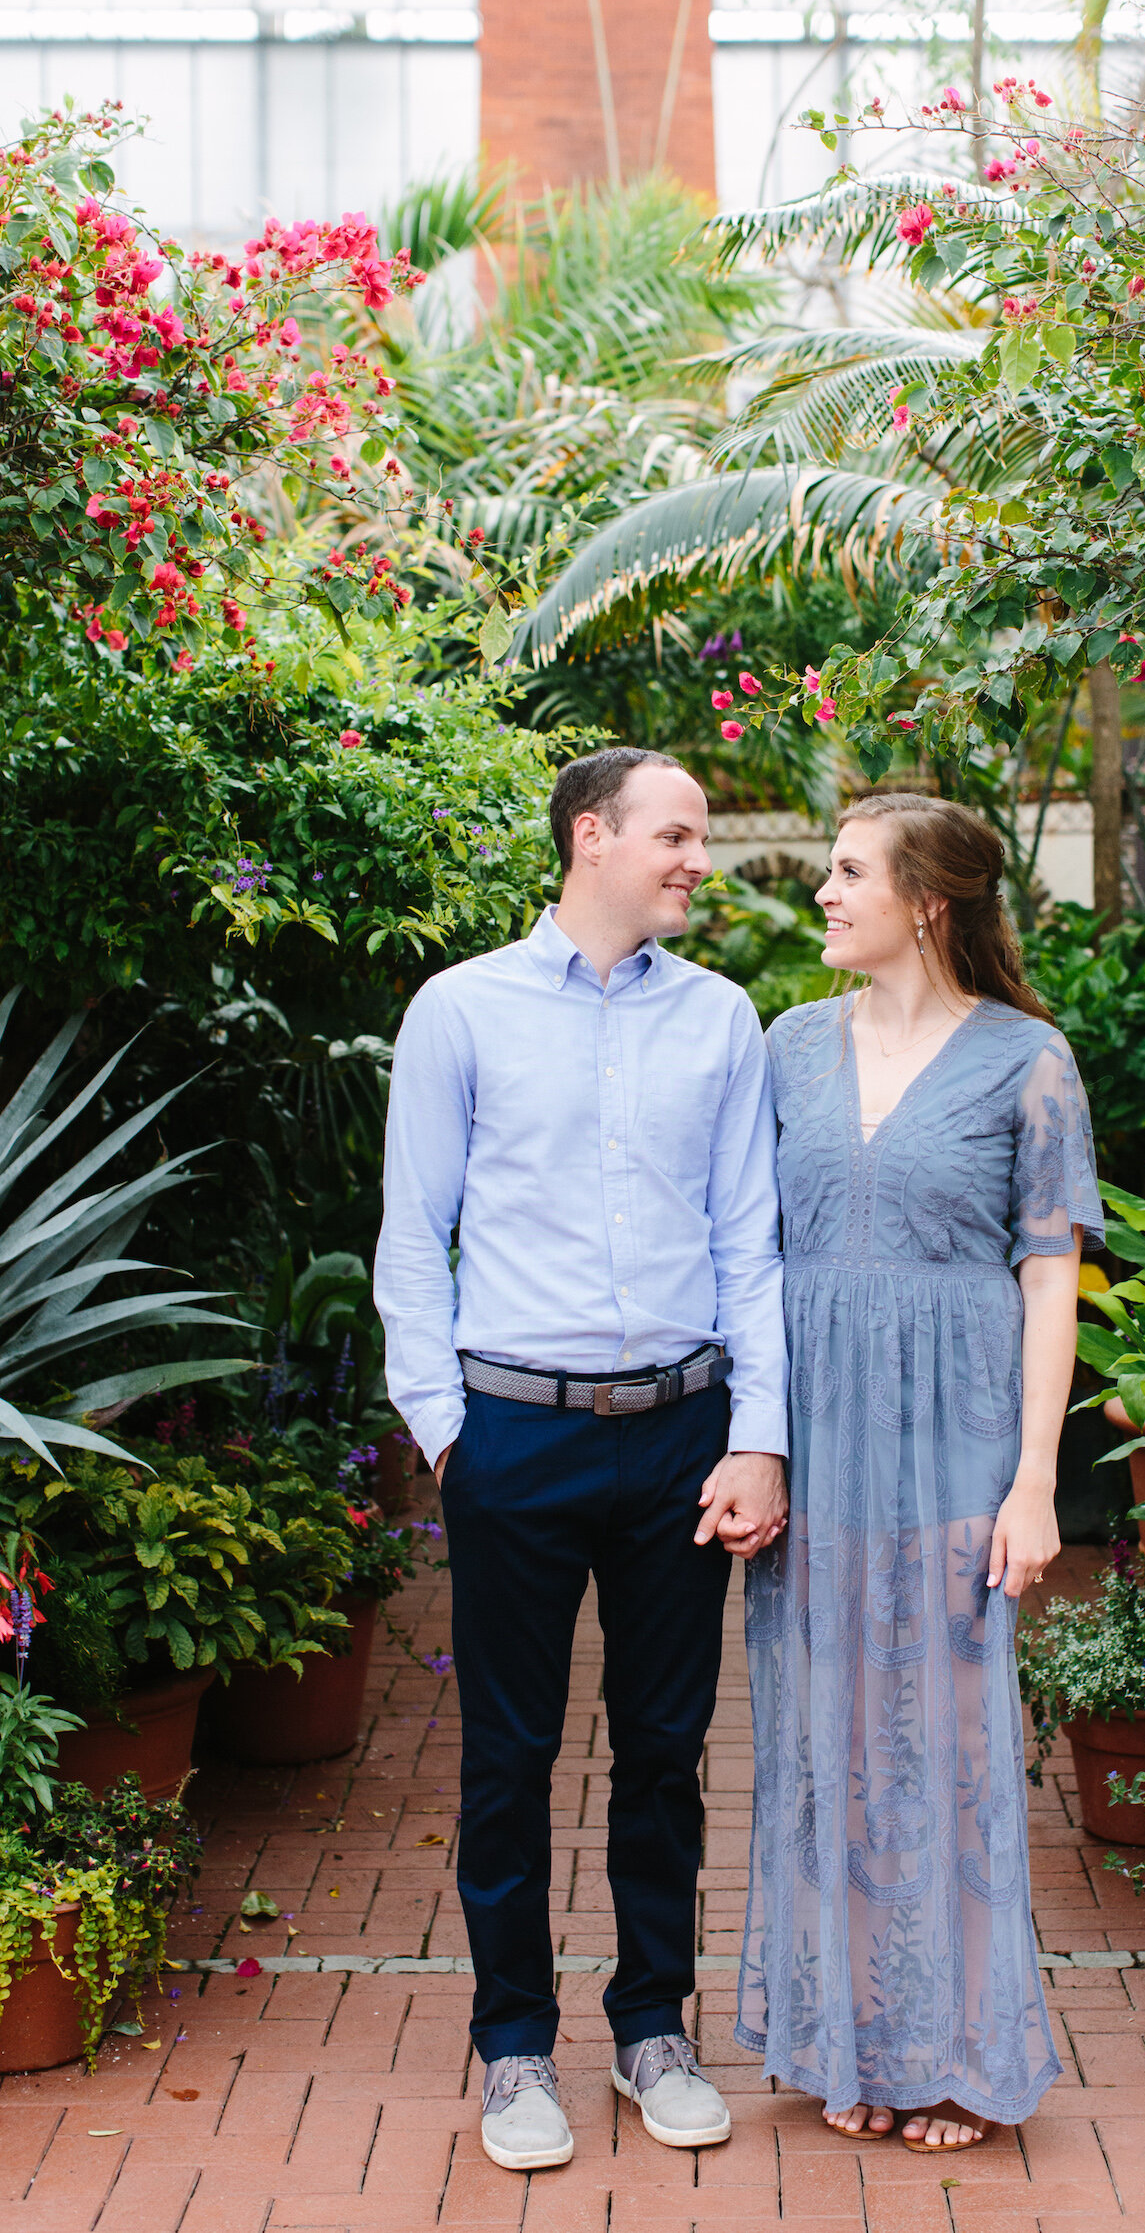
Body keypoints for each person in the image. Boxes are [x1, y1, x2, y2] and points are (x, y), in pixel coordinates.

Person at [375, 748, 789, 2175]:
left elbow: (753, 1245)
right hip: (516, 1435)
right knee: (510, 1757)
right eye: (677, 834)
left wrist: (758, 1436)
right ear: (591, 835)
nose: (697, 859)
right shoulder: (461, 1010)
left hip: (682, 1433)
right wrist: (447, 1434)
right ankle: (511, 2048)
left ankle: (652, 2027)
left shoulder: (724, 1021)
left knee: (666, 1756)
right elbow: (409, 1237)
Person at [737, 792, 1103, 2151]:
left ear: (927, 901)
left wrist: (1035, 1478)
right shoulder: (785, 1049)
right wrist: (752, 1442)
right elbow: (746, 1259)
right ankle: (848, 2035)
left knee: (945, 1751)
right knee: (826, 1738)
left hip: (956, 1445)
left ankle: (954, 2055)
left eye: (848, 871)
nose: (824, 893)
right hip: (822, 1450)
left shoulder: (1029, 1060)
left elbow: (1053, 1282)